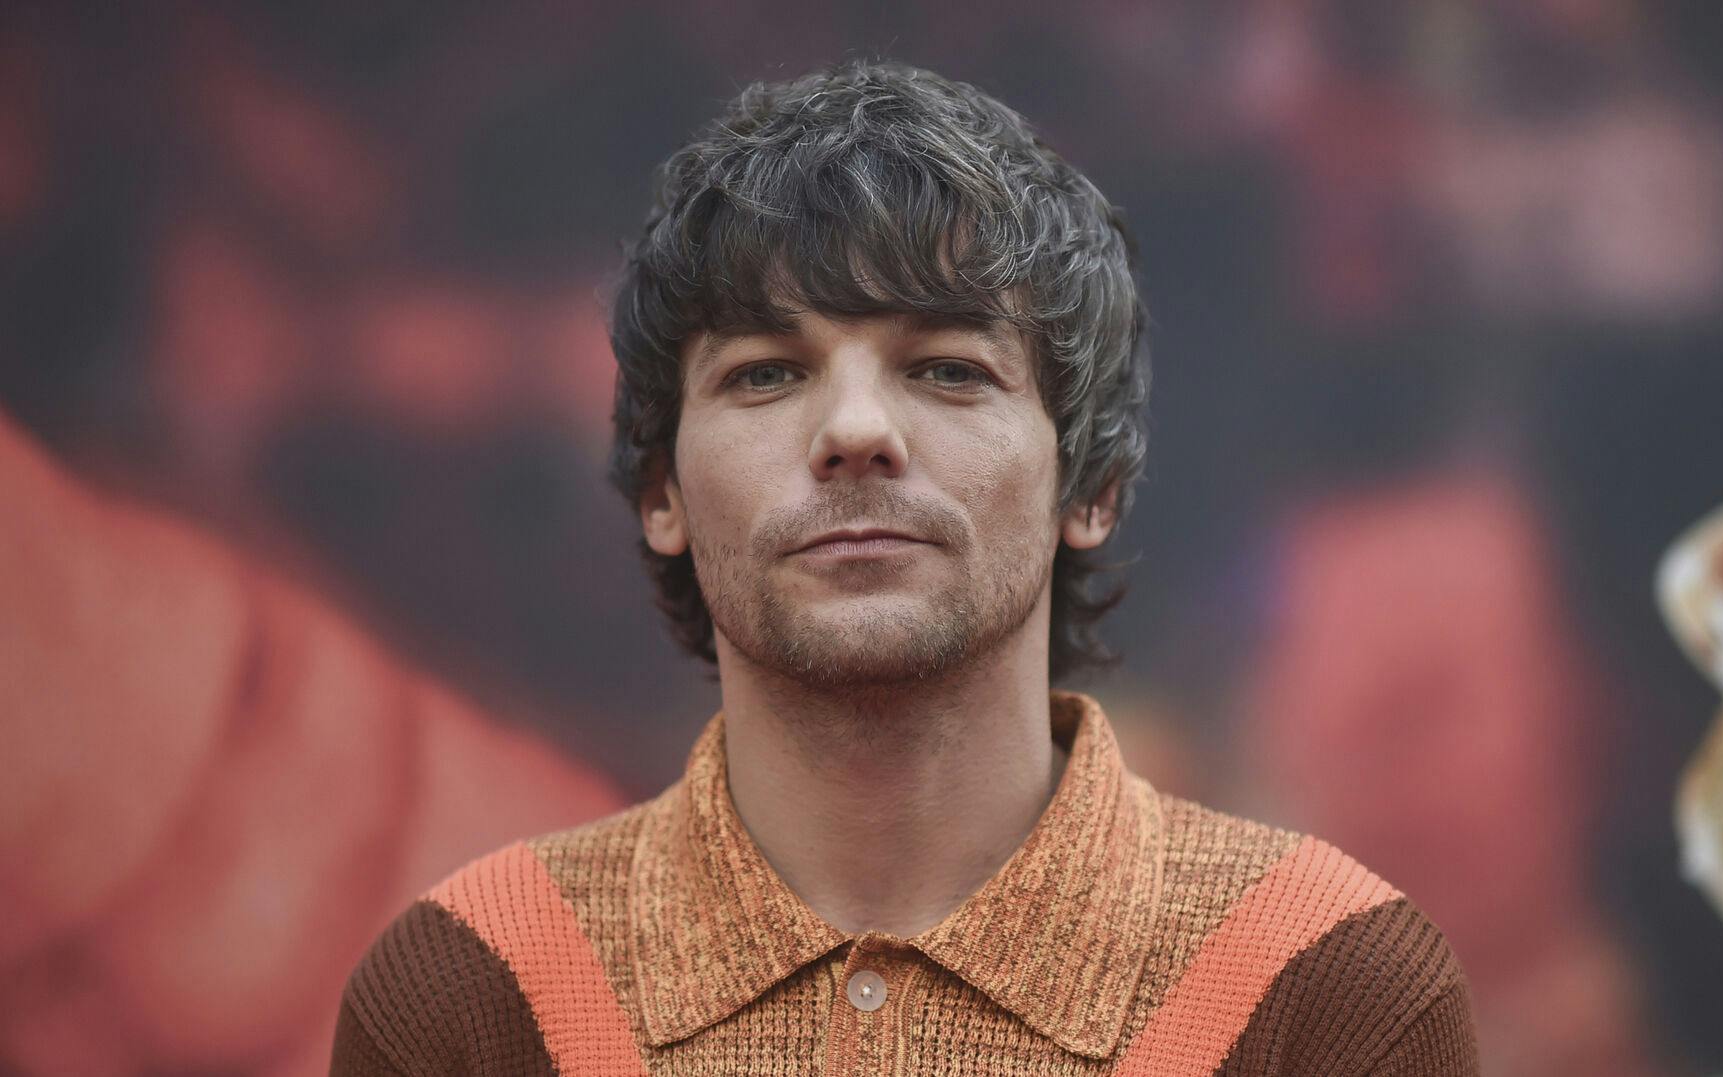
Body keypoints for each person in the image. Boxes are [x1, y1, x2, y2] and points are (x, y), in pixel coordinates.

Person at [330, 58, 1479, 1075]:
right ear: (661, 495)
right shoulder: (478, 993)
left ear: (1091, 487)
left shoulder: (1326, 986)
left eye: (947, 369)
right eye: (768, 375)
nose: (856, 430)